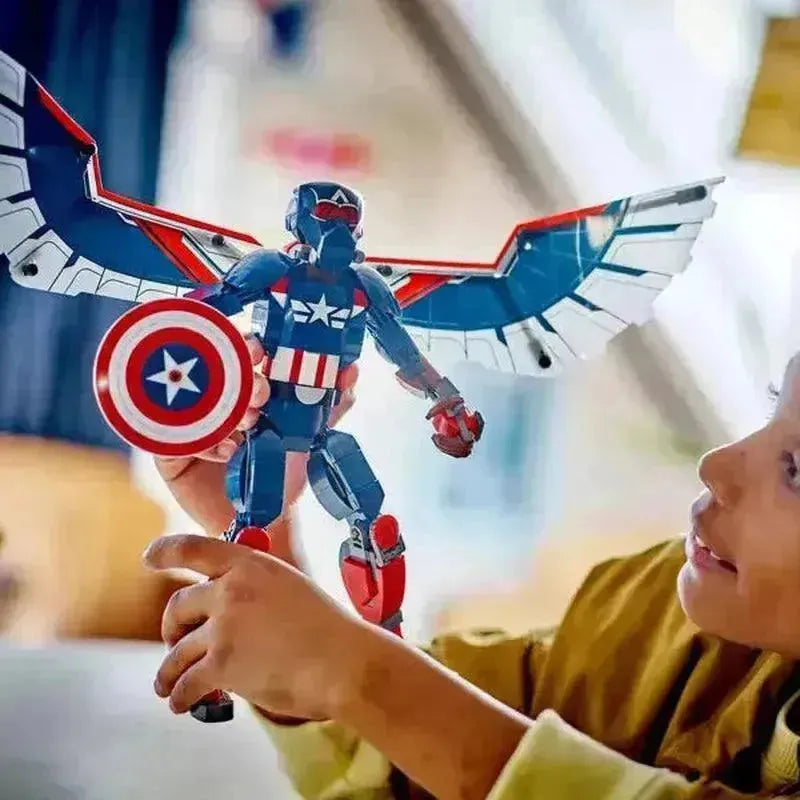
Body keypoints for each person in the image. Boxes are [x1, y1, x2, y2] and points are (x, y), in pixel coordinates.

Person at [142, 336, 800, 799]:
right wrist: (261, 536)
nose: (716, 464)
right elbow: (422, 739)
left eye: (796, 469)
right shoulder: (651, 608)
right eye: (773, 406)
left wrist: (353, 671)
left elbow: (399, 703)